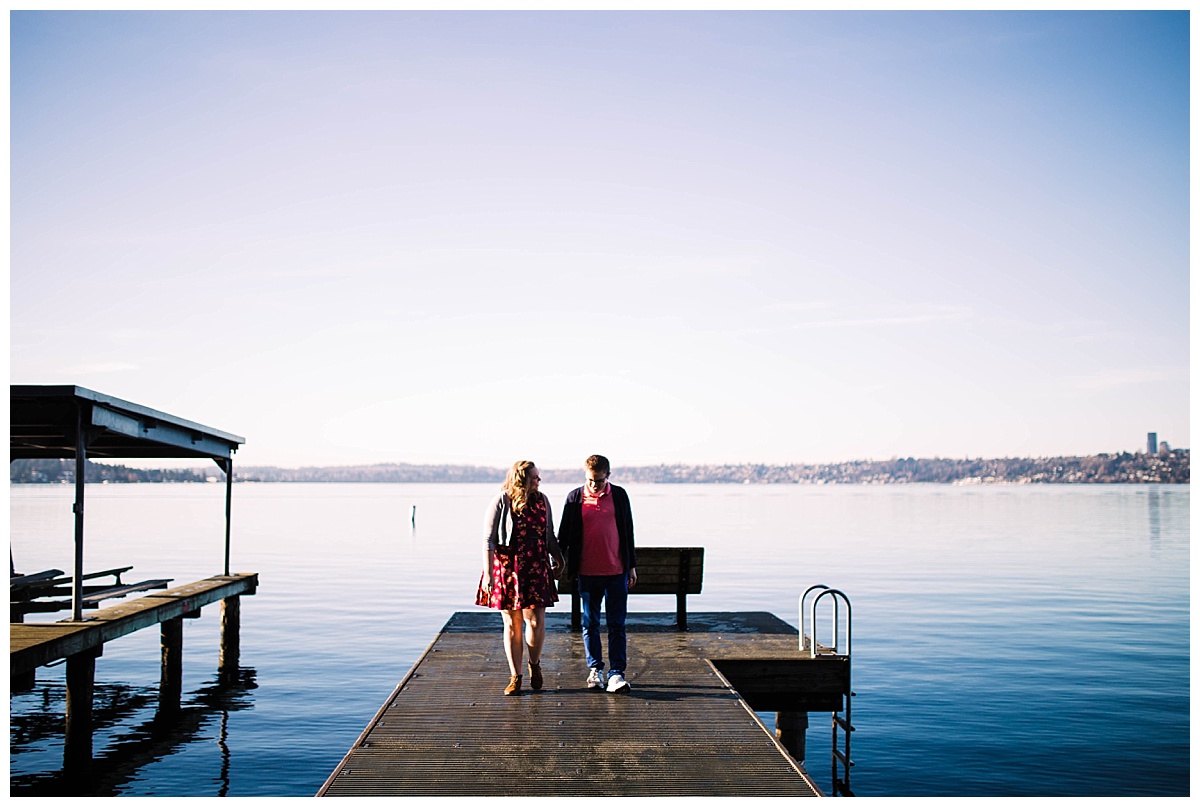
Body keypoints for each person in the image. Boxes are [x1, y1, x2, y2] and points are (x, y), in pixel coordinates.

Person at [476, 460, 565, 696]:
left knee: (535, 621)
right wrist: (488, 574)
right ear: (522, 479)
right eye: (535, 477)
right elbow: (489, 540)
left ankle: (534, 664)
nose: (539, 480)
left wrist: (558, 558)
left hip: (535, 565)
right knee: (512, 623)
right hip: (507, 568)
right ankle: (515, 676)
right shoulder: (501, 501)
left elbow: (549, 534)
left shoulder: (542, 500)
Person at [557, 454, 637, 693]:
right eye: (590, 480)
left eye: (599, 481)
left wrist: (631, 565)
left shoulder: (620, 496)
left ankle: (616, 673)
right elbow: (564, 534)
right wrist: (558, 562)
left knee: (616, 625)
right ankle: (595, 669)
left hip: (616, 571)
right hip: (587, 573)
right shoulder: (574, 497)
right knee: (590, 623)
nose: (594, 485)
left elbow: (628, 531)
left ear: (608, 476)